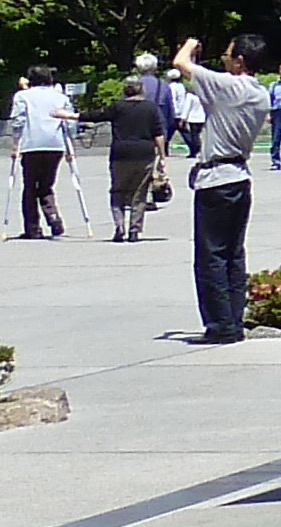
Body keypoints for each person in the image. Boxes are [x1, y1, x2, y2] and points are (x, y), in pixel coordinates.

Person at [171, 32, 272, 342]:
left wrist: (191, 42)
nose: (224, 59)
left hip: (215, 179)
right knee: (233, 254)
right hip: (240, 176)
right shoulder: (261, 94)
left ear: (240, 61)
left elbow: (180, 63)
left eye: (228, 55)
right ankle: (234, 318)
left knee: (210, 255)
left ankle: (220, 325)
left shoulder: (227, 86)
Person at [3, 67, 75, 238]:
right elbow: (68, 123)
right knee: (46, 185)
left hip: (31, 144)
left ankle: (33, 228)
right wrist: (70, 146)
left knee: (30, 186)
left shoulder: (22, 96)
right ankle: (54, 217)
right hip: (55, 144)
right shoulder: (60, 97)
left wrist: (15, 145)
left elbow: (19, 121)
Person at [103, 63, 171, 242]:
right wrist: (162, 156)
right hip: (144, 153)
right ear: (141, 90)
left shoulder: (117, 106)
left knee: (117, 191)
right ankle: (134, 230)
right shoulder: (150, 107)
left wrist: (70, 115)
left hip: (120, 153)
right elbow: (158, 134)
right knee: (139, 194)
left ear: (125, 90)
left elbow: (95, 115)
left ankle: (119, 225)